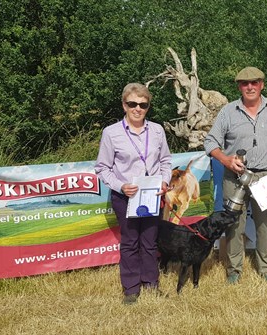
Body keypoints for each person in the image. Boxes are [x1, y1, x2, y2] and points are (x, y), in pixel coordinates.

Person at [204, 66, 267, 284]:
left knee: (266, 225)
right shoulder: (228, 111)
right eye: (245, 83)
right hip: (234, 177)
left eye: (254, 82)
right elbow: (210, 142)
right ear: (239, 87)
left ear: (262, 84)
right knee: (234, 224)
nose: (250, 87)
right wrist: (226, 160)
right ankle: (234, 270)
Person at [94, 83, 172, 304]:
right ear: (124, 105)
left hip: (153, 195)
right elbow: (102, 168)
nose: (138, 108)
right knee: (130, 242)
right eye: (132, 104)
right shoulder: (111, 133)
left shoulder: (157, 130)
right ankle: (131, 288)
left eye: (143, 105)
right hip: (125, 196)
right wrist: (121, 186)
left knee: (150, 241)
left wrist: (164, 182)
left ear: (148, 107)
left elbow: (166, 161)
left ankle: (151, 283)